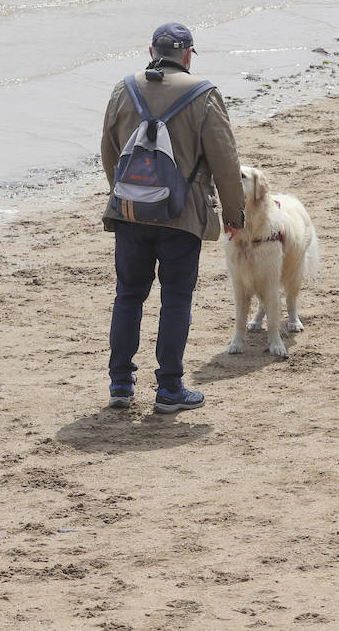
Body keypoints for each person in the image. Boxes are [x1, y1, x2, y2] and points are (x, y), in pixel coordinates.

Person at [100, 23, 245, 413]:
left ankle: (120, 385)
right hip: (182, 215)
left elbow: (109, 153)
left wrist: (127, 195)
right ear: (188, 54)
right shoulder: (205, 94)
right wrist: (234, 215)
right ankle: (169, 389)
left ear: (151, 51)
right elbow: (225, 162)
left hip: (129, 211)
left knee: (128, 294)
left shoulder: (123, 89)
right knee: (176, 299)